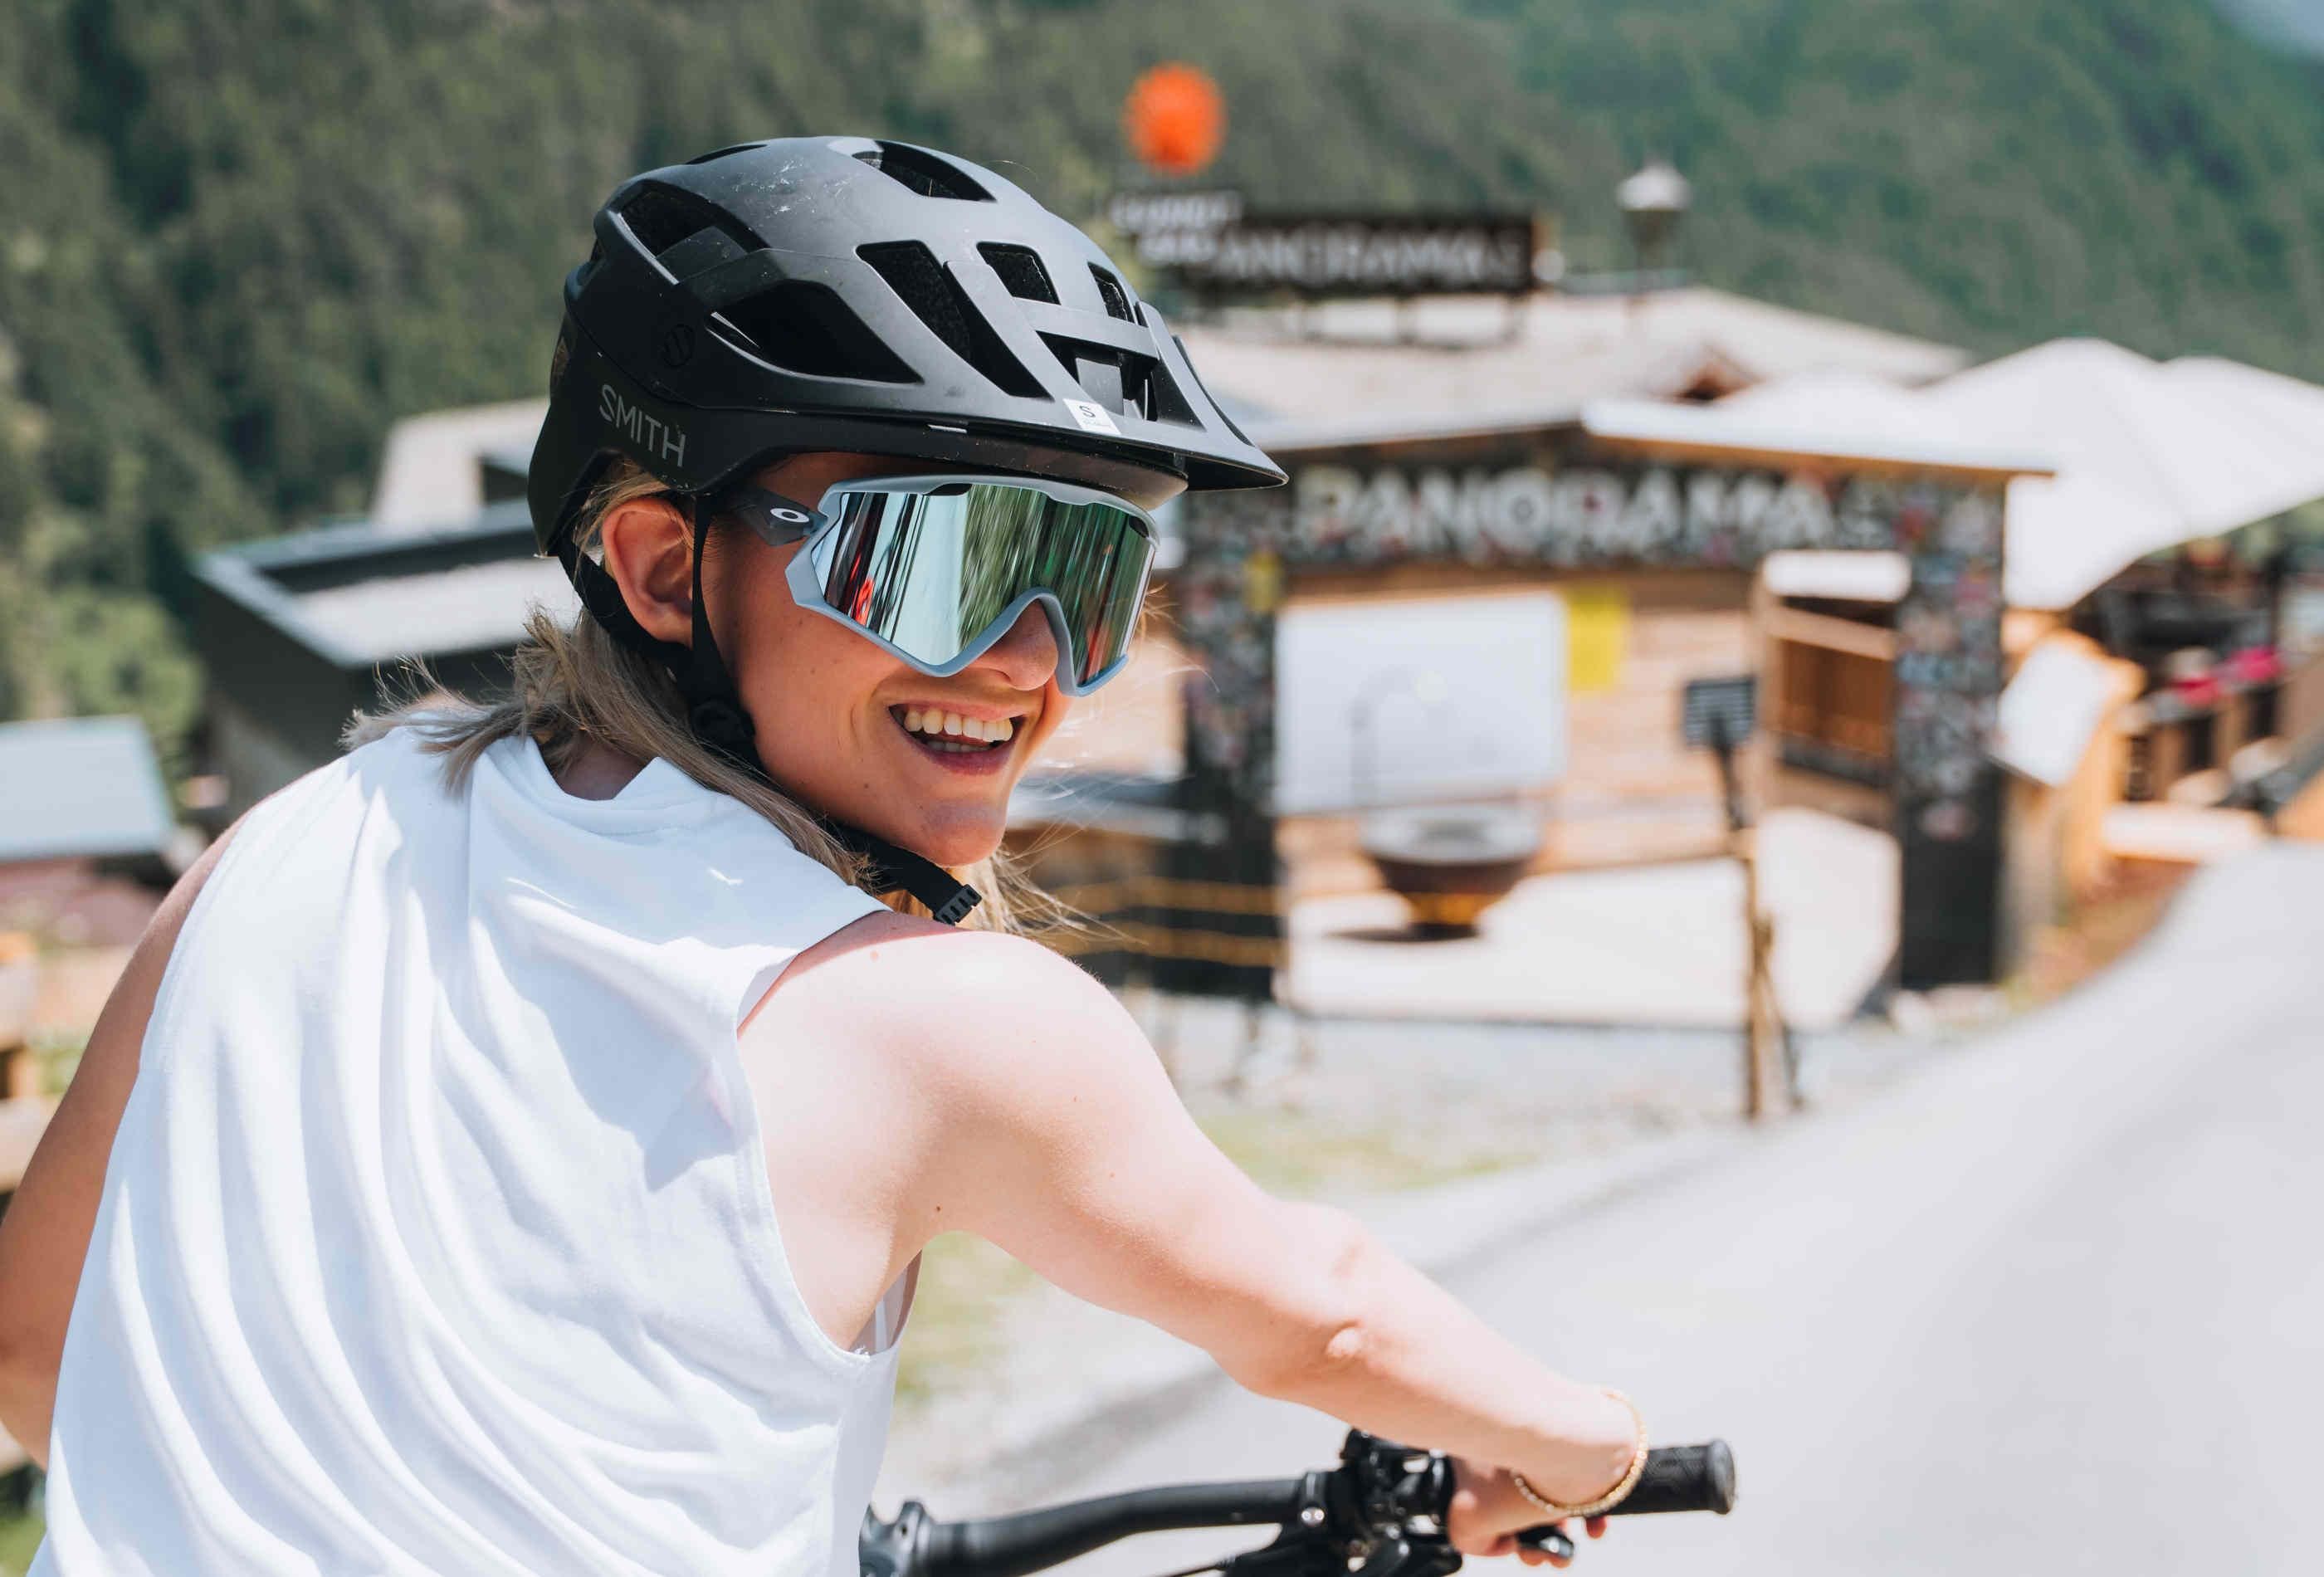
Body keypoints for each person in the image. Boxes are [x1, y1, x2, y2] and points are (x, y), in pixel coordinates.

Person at [0, 137, 1648, 1575]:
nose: (1026, 659)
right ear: (662, 565)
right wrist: (1585, 1445)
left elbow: (32, 1344)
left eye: (1087, 573)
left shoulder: (275, 852)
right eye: (942, 557)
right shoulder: (933, 1014)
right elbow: (1326, 1312)